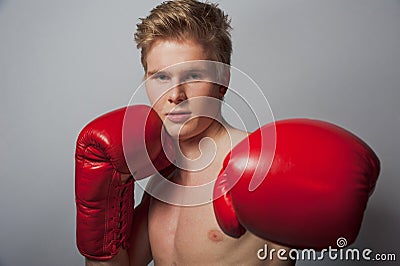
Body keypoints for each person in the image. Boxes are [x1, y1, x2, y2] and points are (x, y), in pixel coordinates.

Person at [75, 1, 380, 265]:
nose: (175, 94)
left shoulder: (262, 167)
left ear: (222, 80)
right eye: (161, 77)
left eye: (193, 75)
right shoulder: (160, 176)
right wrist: (98, 241)